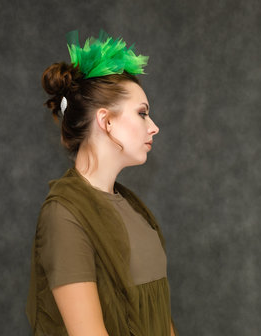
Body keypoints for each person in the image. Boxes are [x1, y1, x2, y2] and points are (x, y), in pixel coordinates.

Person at [26, 30, 177, 336]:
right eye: (142, 114)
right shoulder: (65, 214)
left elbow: (161, 318)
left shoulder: (133, 207)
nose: (154, 127)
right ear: (106, 121)